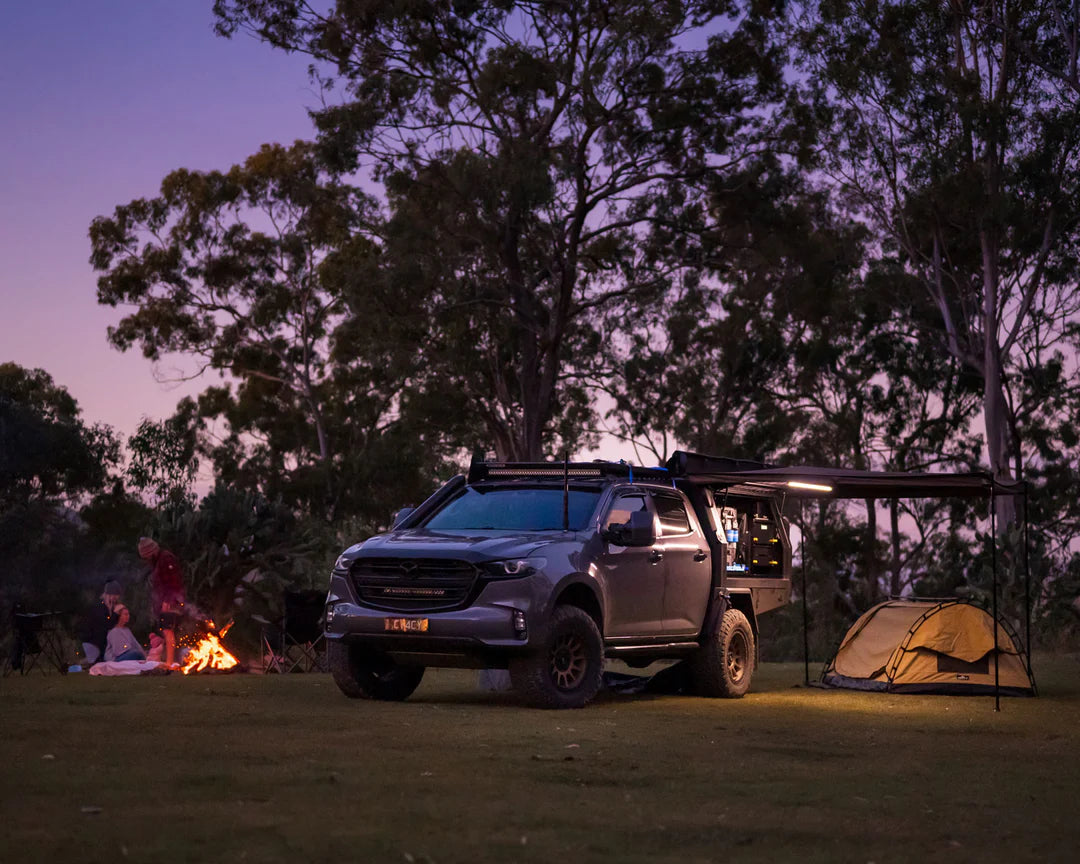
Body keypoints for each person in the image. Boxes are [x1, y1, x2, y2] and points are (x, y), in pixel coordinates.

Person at [138, 537, 186, 667]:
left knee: (168, 630)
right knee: (167, 631)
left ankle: (170, 663)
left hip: (171, 602)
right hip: (165, 601)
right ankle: (172, 661)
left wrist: (167, 601)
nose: (146, 559)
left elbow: (174, 582)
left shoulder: (166, 559)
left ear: (151, 551)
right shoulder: (157, 562)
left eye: (147, 556)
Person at [80, 580, 122, 666]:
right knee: (98, 662)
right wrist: (115, 614)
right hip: (93, 642)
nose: (115, 598)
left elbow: (113, 625)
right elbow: (106, 625)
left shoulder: (111, 608)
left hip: (103, 643)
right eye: (113, 595)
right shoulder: (98, 607)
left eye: (116, 595)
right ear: (106, 595)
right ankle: (87, 661)